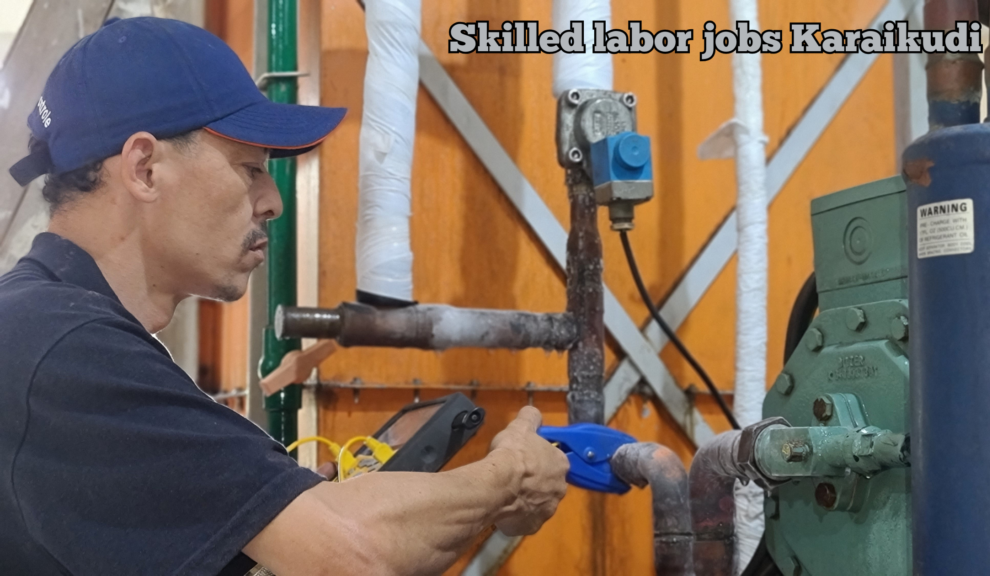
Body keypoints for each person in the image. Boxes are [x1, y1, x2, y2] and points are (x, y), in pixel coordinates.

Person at [0, 17, 568, 576]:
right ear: (145, 169)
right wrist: (508, 478)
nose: (271, 201)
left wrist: (274, 514)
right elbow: (354, 555)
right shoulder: (61, 346)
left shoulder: (49, 328)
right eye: (250, 169)